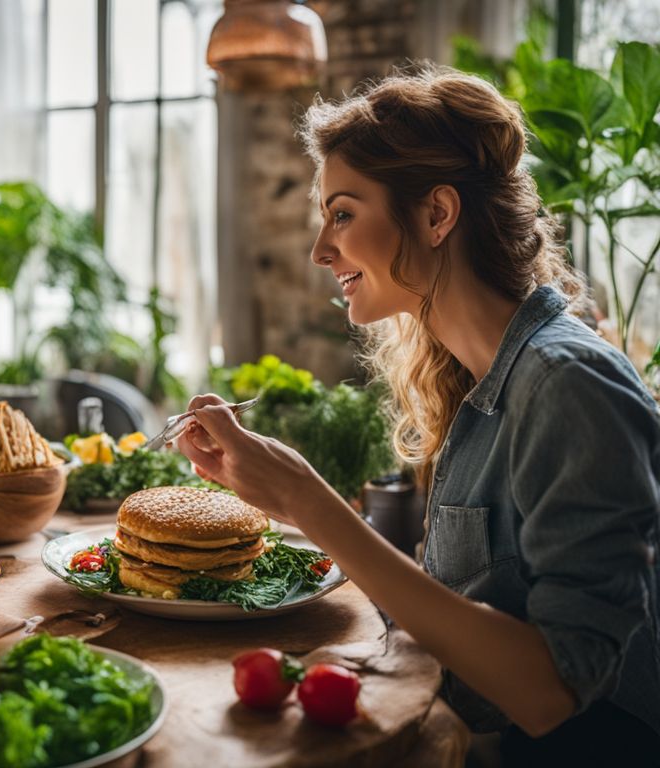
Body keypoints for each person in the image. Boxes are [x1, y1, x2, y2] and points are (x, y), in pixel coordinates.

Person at [178, 69, 659, 760]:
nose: (320, 249)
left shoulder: (568, 384)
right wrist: (280, 500)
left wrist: (310, 501)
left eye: (342, 213)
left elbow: (552, 692)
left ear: (436, 215)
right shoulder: (477, 377)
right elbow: (459, 607)